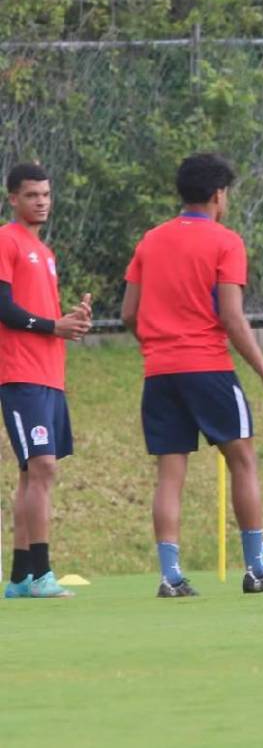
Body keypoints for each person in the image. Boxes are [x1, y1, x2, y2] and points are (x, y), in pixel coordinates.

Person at [121, 153, 263, 597]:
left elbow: (128, 313)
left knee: (170, 473)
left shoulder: (150, 241)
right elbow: (233, 320)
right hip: (208, 367)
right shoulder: (225, 242)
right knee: (243, 460)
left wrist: (158, 344)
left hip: (160, 373)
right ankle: (256, 570)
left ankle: (170, 576)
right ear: (219, 195)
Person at [1, 163, 92, 599]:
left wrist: (70, 322)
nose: (41, 201)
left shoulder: (46, 252)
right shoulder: (6, 240)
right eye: (32, 194)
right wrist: (52, 326)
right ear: (13, 199)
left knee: (31, 475)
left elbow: (44, 315)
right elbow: (5, 309)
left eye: (46, 194)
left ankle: (19, 578)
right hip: (19, 374)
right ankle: (40, 573)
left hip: (49, 376)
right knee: (42, 469)